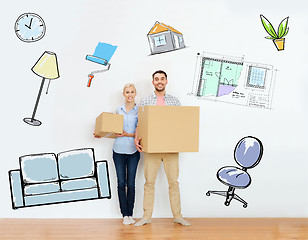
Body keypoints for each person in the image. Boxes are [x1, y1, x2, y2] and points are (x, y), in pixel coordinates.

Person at [134, 70, 190, 226]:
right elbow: (140, 123)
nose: (159, 81)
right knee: (149, 182)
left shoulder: (175, 101)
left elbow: (180, 123)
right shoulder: (145, 101)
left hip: (171, 147)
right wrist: (136, 138)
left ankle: (178, 216)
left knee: (174, 182)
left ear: (166, 81)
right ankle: (146, 217)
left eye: (162, 79)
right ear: (153, 82)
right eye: (156, 79)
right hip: (152, 148)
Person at [94, 83, 140, 225]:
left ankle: (130, 214)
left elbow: (141, 131)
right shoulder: (118, 110)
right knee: (121, 183)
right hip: (118, 151)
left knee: (131, 184)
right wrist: (102, 134)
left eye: (132, 92)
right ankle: (124, 215)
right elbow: (114, 130)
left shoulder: (140, 111)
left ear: (135, 94)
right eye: (127, 92)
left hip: (133, 151)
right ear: (123, 94)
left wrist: (128, 134)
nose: (130, 94)